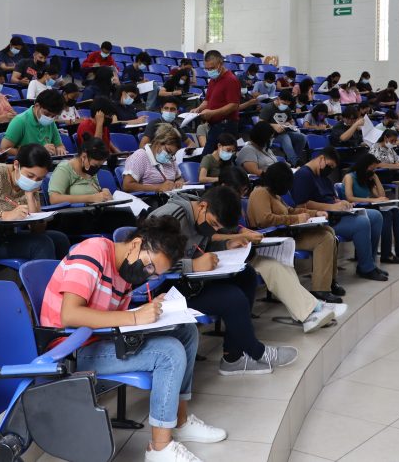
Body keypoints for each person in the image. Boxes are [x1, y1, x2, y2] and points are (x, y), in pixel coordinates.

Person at [39, 216, 227, 462]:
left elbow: (113, 320)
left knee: (186, 331)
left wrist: (151, 312)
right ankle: (159, 449)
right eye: (150, 267)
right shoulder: (92, 252)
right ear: (136, 244)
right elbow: (70, 315)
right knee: (168, 353)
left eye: (154, 274)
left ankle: (180, 421)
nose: (148, 275)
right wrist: (136, 317)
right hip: (70, 349)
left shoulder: (124, 270)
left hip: (99, 338)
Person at [149, 187, 298, 377]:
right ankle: (257, 352)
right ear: (203, 206)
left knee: (247, 274)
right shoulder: (170, 218)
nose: (214, 230)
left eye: (219, 228)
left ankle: (233, 356)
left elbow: (199, 248)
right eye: (214, 224)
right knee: (232, 299)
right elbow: (150, 265)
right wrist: (192, 265)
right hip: (165, 290)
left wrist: (225, 244)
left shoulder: (201, 217)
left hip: (190, 281)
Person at [249, 162, 345, 301]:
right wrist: (295, 219)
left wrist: (315, 213)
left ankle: (330, 280)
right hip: (272, 240)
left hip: (285, 235)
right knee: (324, 238)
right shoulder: (260, 193)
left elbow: (290, 210)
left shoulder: (274, 194)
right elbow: (264, 220)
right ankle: (320, 289)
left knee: (328, 230)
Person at [0, 143, 70, 260]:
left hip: (8, 235)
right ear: (16, 165)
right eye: (30, 176)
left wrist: (30, 197)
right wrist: (6, 215)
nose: (34, 181)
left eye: (40, 178)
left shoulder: (33, 185)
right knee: (41, 244)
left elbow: (37, 230)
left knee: (60, 239)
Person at [291, 148, 386, 281]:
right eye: (330, 166)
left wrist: (341, 202)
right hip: (322, 219)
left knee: (376, 216)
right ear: (321, 159)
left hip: (336, 213)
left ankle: (370, 262)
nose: (330, 170)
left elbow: (331, 197)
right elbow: (302, 204)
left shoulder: (323, 177)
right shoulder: (303, 175)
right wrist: (332, 206)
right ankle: (366, 268)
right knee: (362, 223)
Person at [46, 137, 136, 235]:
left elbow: (93, 191)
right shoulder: (64, 169)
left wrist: (103, 191)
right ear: (84, 156)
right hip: (75, 217)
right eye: (96, 165)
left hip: (94, 213)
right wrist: (91, 198)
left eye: (100, 166)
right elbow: (54, 198)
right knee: (124, 218)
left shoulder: (89, 169)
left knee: (127, 214)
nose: (97, 168)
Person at [344, 154, 399, 264]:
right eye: (372, 168)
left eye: (375, 169)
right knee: (387, 215)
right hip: (356, 208)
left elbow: (381, 195)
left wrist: (376, 178)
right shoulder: (349, 177)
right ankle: (386, 255)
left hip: (369, 206)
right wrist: (372, 200)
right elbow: (349, 198)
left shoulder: (367, 178)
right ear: (364, 166)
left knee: (396, 212)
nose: (373, 171)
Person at [193, 53, 239, 153]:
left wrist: (212, 113)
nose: (210, 71)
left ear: (220, 64)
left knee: (210, 156)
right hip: (215, 125)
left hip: (226, 126)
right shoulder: (213, 80)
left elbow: (234, 105)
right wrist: (198, 109)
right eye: (207, 69)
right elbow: (207, 101)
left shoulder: (230, 79)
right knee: (209, 157)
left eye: (212, 68)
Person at [1, 89, 67, 156]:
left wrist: (60, 148)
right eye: (47, 114)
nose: (50, 118)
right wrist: (37, 151)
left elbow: (59, 145)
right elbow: (4, 149)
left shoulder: (51, 122)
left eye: (54, 116)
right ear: (37, 106)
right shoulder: (20, 121)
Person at [122, 124, 185, 193]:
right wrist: (158, 188)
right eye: (168, 151)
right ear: (158, 142)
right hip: (150, 198)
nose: (169, 156)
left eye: (172, 154)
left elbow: (179, 177)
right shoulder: (140, 156)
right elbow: (127, 186)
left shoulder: (170, 158)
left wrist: (179, 182)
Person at [259, 90, 308, 165]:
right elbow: (260, 123)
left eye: (287, 104)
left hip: (283, 131)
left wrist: (289, 124)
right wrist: (273, 125)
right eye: (284, 103)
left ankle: (294, 159)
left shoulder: (287, 109)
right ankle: (295, 162)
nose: (285, 106)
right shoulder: (268, 108)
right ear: (278, 99)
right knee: (285, 137)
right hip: (270, 135)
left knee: (302, 137)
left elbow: (291, 121)